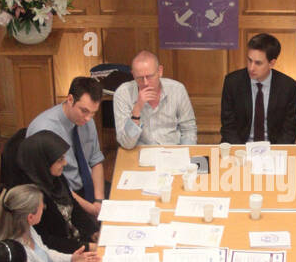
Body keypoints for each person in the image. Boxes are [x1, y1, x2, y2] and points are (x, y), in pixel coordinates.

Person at [26, 76, 106, 220]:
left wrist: (99, 200)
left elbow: (96, 160)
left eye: (93, 113)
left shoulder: (87, 120)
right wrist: (90, 209)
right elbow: (51, 185)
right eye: (84, 111)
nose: (88, 118)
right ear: (70, 99)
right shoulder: (44, 130)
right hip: (63, 197)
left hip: (89, 187)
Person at [12, 130, 97, 251]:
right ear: (43, 162)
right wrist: (88, 247)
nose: (65, 162)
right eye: (59, 160)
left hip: (76, 239)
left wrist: (93, 231)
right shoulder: (31, 198)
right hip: (61, 252)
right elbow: (46, 242)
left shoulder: (53, 177)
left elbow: (74, 207)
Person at [220, 33, 296, 144]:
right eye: (249, 60)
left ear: (272, 63)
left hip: (273, 148)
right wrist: (242, 152)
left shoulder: (288, 86)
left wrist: (275, 153)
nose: (251, 68)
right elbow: (228, 127)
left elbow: (289, 131)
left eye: (258, 63)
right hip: (240, 146)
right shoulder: (232, 82)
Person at [113, 50, 197, 149]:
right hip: (139, 153)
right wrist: (137, 110)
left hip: (173, 150)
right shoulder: (123, 93)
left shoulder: (177, 89)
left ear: (160, 71)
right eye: (139, 78)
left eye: (149, 76)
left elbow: (188, 129)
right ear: (133, 75)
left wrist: (185, 154)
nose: (145, 83)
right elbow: (127, 144)